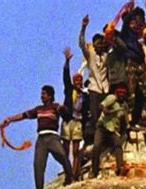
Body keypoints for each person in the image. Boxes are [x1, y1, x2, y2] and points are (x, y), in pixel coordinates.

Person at [0, 85, 74, 189]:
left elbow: (63, 111)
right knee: (38, 165)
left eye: (44, 94)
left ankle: (70, 178)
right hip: (41, 139)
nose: (42, 96)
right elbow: (25, 115)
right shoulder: (38, 109)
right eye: (41, 94)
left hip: (53, 137)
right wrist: (10, 119)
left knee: (63, 156)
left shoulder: (55, 106)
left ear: (50, 96)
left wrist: (64, 109)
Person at [91, 83, 129, 178]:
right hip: (103, 126)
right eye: (121, 93)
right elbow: (102, 105)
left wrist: (128, 128)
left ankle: (120, 167)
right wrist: (104, 109)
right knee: (96, 146)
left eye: (124, 93)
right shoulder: (112, 98)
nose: (122, 95)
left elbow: (125, 121)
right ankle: (94, 170)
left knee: (118, 144)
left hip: (113, 129)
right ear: (117, 93)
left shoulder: (124, 106)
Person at [79, 15, 109, 133]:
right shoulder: (90, 55)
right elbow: (81, 44)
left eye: (102, 43)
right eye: (98, 43)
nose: (100, 46)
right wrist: (83, 27)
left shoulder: (107, 56)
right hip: (94, 88)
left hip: (105, 88)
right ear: (93, 44)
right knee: (95, 113)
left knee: (105, 114)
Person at [62, 47, 89, 180]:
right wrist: (67, 62)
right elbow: (66, 77)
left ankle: (74, 173)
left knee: (76, 150)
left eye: (80, 80)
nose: (78, 82)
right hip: (68, 121)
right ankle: (67, 173)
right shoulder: (69, 90)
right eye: (76, 80)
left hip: (78, 121)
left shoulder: (84, 95)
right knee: (65, 149)